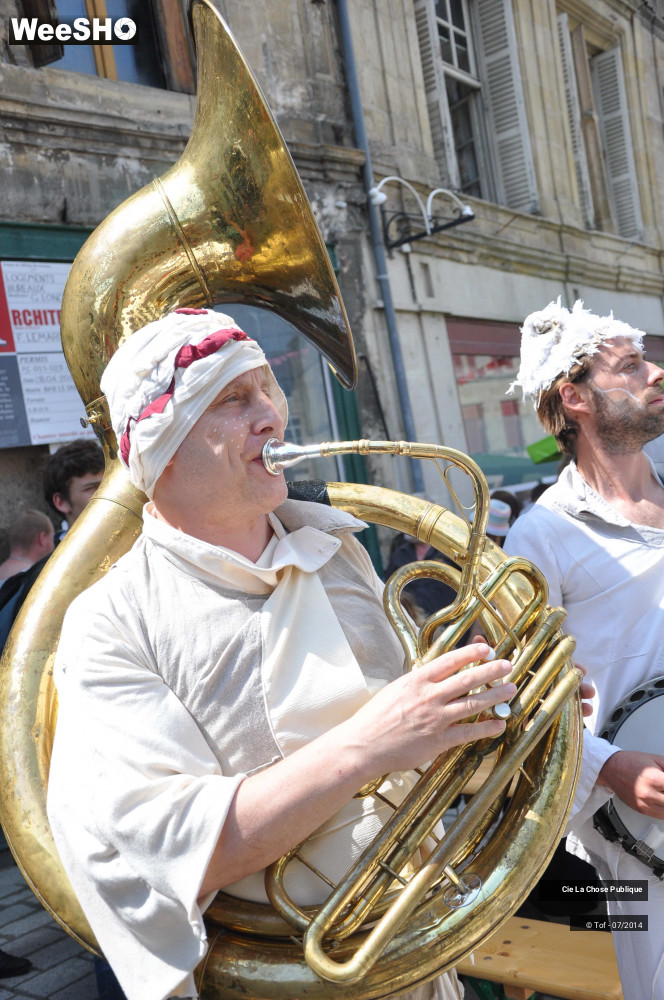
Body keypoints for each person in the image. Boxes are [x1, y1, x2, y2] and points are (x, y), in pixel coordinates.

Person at [45, 308, 521, 1000]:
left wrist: (489, 711)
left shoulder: (336, 548)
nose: (270, 416)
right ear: (162, 445)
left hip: (416, 953)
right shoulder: (108, 620)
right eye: (235, 399)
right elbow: (167, 849)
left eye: (268, 390)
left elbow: (423, 757)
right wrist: (371, 743)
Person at [504, 298, 664, 1000]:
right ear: (575, 397)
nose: (655, 371)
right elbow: (516, 697)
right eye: (630, 365)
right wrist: (610, 767)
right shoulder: (539, 536)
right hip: (632, 835)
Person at [0, 439, 104, 649]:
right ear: (61, 502)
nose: (106, 494)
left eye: (108, 484)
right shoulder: (43, 577)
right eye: (92, 488)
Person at [0, 509, 54, 582]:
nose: (53, 544)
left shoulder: (2, 571)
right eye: (52, 537)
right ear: (42, 538)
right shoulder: (38, 580)